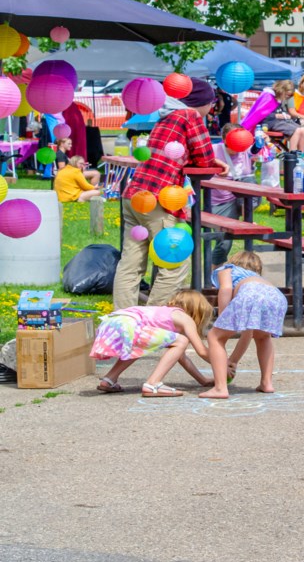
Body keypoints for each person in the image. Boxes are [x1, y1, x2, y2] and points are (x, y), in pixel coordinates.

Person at [113, 78, 230, 310]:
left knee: (130, 265)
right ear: (202, 102)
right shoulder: (190, 116)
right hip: (159, 198)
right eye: (212, 103)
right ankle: (153, 320)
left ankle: (123, 320)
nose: (212, 108)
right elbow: (204, 155)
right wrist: (213, 160)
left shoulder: (166, 116)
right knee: (174, 264)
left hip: (135, 194)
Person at [91, 289, 213, 397]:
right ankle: (153, 383)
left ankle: (109, 380)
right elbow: (202, 351)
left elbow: (180, 357)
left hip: (112, 322)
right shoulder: (184, 318)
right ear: (197, 311)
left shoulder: (163, 314)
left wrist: (203, 380)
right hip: (127, 324)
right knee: (182, 341)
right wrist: (223, 364)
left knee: (139, 346)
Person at [200, 251, 287, 399]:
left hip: (250, 295)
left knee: (214, 336)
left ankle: (220, 388)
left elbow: (226, 288)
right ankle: (267, 383)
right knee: (263, 337)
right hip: (276, 297)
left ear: (233, 261)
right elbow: (248, 333)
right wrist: (233, 361)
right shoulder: (258, 278)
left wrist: (222, 316)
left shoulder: (227, 269)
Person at [210, 123, 256, 266]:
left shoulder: (245, 151)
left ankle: (246, 218)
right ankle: (213, 274)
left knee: (250, 180)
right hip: (218, 202)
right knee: (224, 243)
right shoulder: (213, 151)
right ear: (224, 140)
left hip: (239, 200)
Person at [264, 79, 304, 154]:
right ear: (282, 91)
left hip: (282, 122)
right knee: (297, 130)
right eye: (286, 95)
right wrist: (277, 115)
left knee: (303, 130)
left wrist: (285, 115)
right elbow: (262, 114)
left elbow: (281, 111)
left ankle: (301, 155)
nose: (287, 97)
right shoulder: (270, 98)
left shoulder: (280, 100)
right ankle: (292, 155)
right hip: (272, 123)